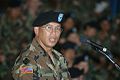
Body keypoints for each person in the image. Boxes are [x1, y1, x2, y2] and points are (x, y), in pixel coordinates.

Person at [12, 11, 71, 80]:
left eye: (57, 28)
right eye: (49, 27)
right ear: (36, 30)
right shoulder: (27, 60)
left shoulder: (59, 57)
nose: (54, 33)